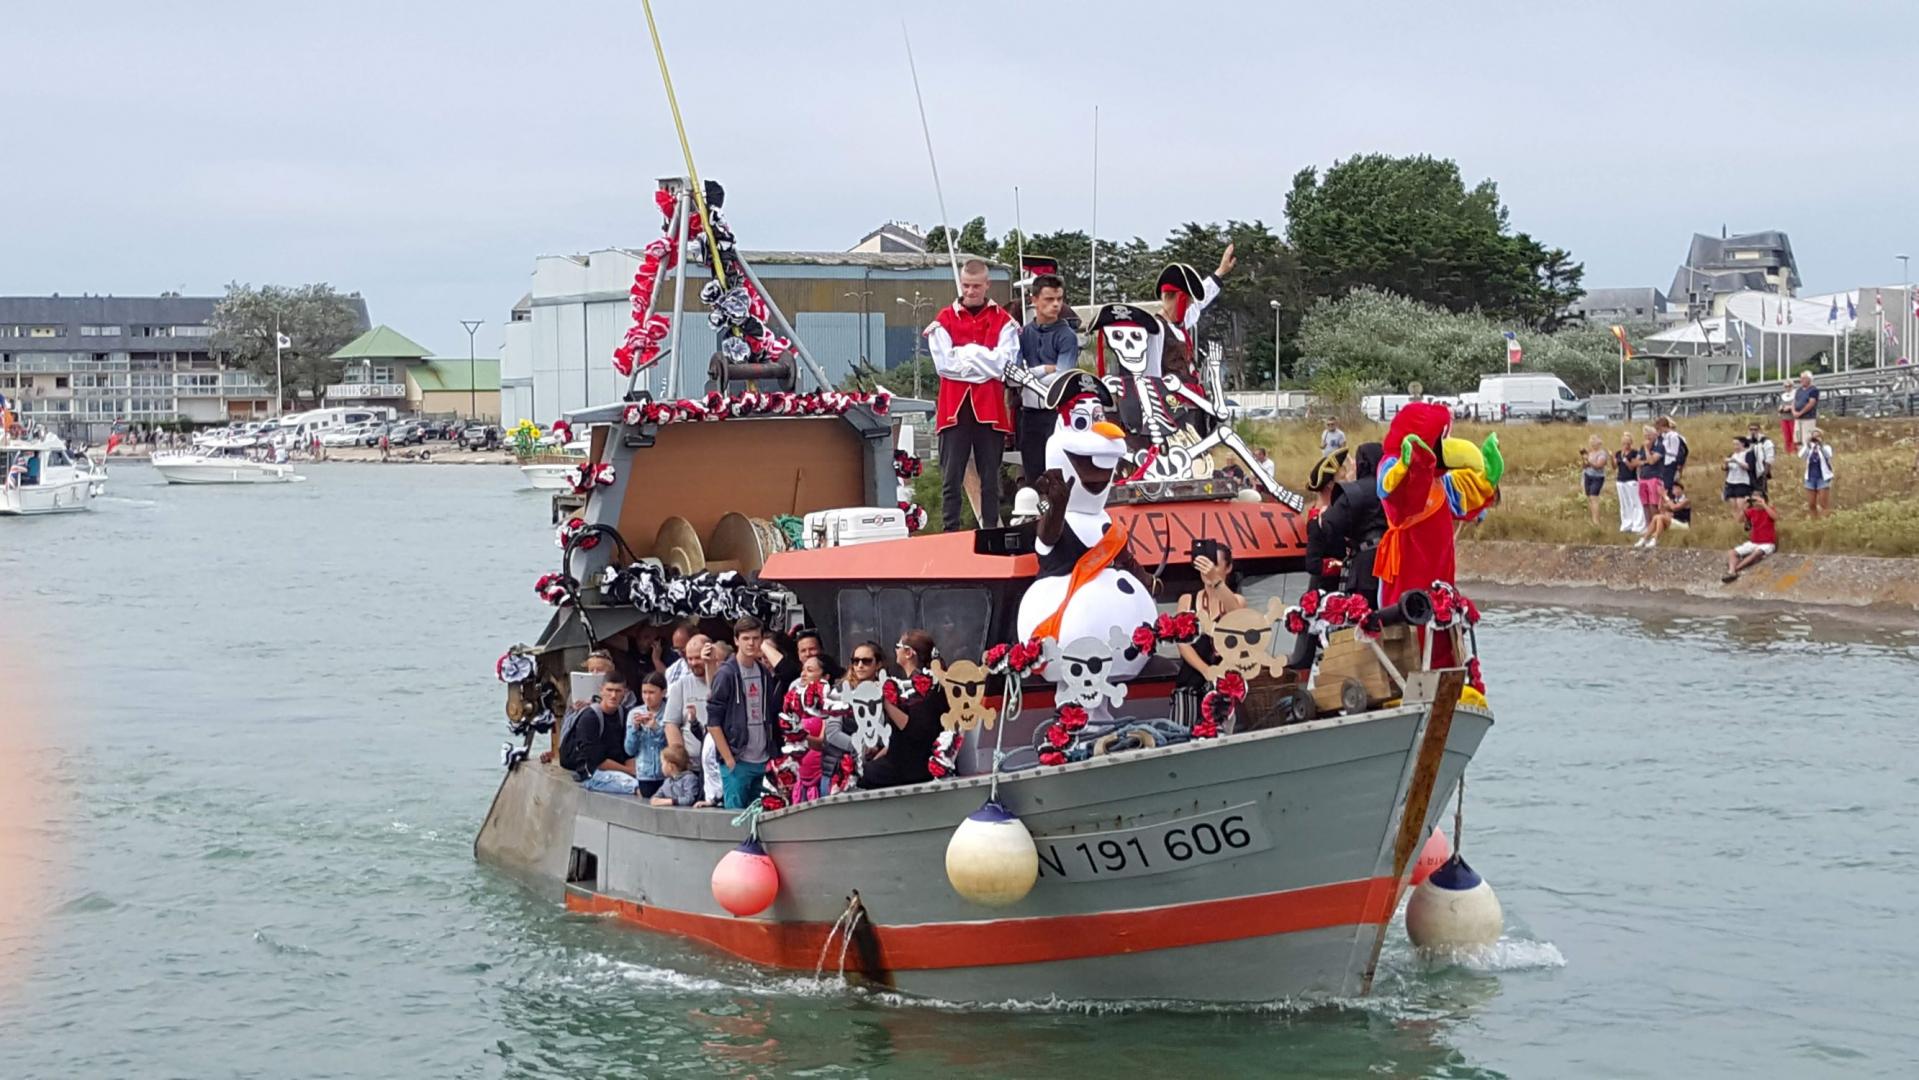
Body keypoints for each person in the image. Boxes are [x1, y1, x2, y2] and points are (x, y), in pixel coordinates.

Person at [927, 259, 1018, 530]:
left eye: (976, 286)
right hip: (954, 410)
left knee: (991, 480)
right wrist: (984, 361)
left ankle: (991, 531)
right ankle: (949, 533)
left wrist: (965, 355)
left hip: (990, 410)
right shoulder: (943, 320)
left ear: (987, 285)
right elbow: (944, 365)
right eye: (966, 285)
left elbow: (1004, 364)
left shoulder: (1004, 321)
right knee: (951, 478)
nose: (970, 291)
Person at [858, 630, 948, 789]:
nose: (895, 650)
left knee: (854, 776)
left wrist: (884, 701)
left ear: (908, 653)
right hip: (900, 758)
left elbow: (913, 729)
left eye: (898, 646)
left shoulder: (925, 686)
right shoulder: (912, 685)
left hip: (912, 766)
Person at [1014, 273, 1079, 486]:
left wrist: (1030, 374)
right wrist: (1044, 369)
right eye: (1049, 299)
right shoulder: (1022, 335)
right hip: (1029, 415)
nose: (1056, 305)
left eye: (1059, 299)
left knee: (1058, 478)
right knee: (1033, 477)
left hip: (1057, 415)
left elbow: (1062, 378)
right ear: (1034, 300)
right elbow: (1013, 377)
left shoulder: (1068, 335)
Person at [706, 617, 778, 809]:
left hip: (762, 757)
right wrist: (729, 760)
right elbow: (713, 720)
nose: (751, 643)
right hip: (739, 759)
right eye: (746, 638)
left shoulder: (763, 672)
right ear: (736, 640)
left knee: (760, 814)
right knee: (735, 816)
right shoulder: (726, 674)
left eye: (755, 638)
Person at [1176, 542, 1246, 711]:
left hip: (1225, 684)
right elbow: (1182, 643)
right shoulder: (1187, 600)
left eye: (1214, 564)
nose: (1207, 569)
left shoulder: (1237, 600)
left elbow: (1237, 618)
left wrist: (1215, 579)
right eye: (1204, 563)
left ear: (1228, 567)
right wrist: (1206, 671)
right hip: (1189, 684)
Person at [563, 673, 637, 791]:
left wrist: (633, 768)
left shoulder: (624, 713)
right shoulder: (589, 718)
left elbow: (628, 751)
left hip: (619, 768)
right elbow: (597, 761)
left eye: (618, 691)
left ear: (625, 692)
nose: (613, 695)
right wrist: (630, 771)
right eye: (609, 690)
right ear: (601, 690)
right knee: (636, 787)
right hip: (593, 773)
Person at [662, 633, 714, 799]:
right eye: (689, 659)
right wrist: (679, 760)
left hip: (716, 764)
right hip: (692, 767)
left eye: (697, 658)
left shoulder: (723, 680)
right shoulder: (681, 685)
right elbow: (671, 724)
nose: (692, 663)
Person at [624, 672, 670, 799]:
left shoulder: (670, 712)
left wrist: (656, 728)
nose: (647, 697)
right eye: (644, 692)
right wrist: (635, 729)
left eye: (652, 692)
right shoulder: (634, 713)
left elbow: (672, 745)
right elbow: (629, 750)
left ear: (663, 692)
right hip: (645, 774)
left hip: (667, 773)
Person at [1723, 494, 1778, 583]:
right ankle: (1732, 571)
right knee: (1732, 552)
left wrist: (1764, 504)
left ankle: (1735, 569)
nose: (1755, 503)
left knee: (1756, 553)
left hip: (1767, 543)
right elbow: (1739, 520)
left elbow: (1775, 517)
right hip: (1754, 542)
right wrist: (1744, 506)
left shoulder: (1769, 510)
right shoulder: (1751, 511)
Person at [1635, 481, 1690, 549]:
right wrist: (1661, 496)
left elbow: (1674, 507)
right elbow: (1661, 508)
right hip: (1675, 522)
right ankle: (1645, 538)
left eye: (1677, 488)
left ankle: (1655, 539)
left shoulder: (1686, 500)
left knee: (1660, 517)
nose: (1675, 491)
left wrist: (1665, 496)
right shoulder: (1673, 500)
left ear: (1681, 490)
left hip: (1683, 524)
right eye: (1674, 489)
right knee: (1656, 517)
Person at [1613, 431, 1645, 533]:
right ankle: (1626, 524)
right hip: (1620, 479)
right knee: (1624, 503)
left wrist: (1626, 461)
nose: (1625, 446)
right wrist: (1612, 459)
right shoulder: (1618, 453)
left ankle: (1638, 524)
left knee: (1635, 503)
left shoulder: (1634, 453)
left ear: (1631, 443)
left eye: (1627, 443)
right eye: (1624, 443)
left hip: (1631, 480)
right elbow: (1615, 467)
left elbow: (1632, 467)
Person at [1635, 426, 1665, 524]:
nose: (1647, 438)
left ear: (1655, 435)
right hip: (1643, 477)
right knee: (1645, 503)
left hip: (1654, 476)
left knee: (1653, 503)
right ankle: (1648, 525)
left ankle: (1656, 525)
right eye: (1645, 435)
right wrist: (1645, 462)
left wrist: (1647, 450)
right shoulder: (1642, 447)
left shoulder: (1659, 446)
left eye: (1649, 435)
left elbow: (1652, 461)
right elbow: (1636, 462)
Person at [1800, 431, 1834, 517]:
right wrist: (1808, 444)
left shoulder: (1826, 447)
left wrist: (1821, 445)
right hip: (1810, 478)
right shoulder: (1809, 448)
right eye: (1814, 436)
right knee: (1811, 504)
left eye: (1818, 436)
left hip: (1822, 478)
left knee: (1823, 504)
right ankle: (1814, 521)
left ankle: (1825, 522)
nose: (1816, 438)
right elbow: (1801, 455)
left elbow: (1828, 455)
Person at [1580, 434, 1609, 527]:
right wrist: (1584, 460)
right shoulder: (1590, 453)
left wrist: (1589, 461)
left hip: (1597, 477)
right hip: (1588, 475)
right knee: (1589, 497)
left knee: (1594, 497)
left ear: (1598, 443)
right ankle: (1593, 519)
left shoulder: (1602, 453)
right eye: (1591, 442)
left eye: (1594, 441)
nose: (1592, 443)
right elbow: (1585, 465)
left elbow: (1599, 466)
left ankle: (1596, 521)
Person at [1722, 437, 1756, 516]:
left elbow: (1748, 467)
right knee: (1733, 505)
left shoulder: (1748, 454)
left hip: (1742, 482)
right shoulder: (1732, 455)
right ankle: (1736, 522)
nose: (1735, 446)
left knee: (1741, 505)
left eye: (1737, 444)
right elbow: (1724, 468)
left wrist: (1736, 461)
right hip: (1731, 482)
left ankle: (1744, 521)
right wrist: (1726, 463)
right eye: (1734, 444)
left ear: (1743, 444)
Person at [1746, 421, 1776, 499]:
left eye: (1755, 429)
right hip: (1748, 471)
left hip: (1760, 471)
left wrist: (1765, 473)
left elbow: (1769, 458)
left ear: (1759, 430)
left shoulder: (1765, 441)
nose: (1753, 431)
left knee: (1760, 493)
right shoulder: (1745, 441)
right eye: (1751, 429)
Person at [1656, 416, 1687, 488]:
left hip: (1671, 463)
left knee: (1669, 484)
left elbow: (1675, 452)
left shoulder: (1673, 436)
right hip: (1665, 463)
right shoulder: (1664, 436)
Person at [1790, 372, 1820, 447]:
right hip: (1798, 419)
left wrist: (1800, 413)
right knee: (1797, 438)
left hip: (1808, 418)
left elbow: (1811, 403)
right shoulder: (1799, 390)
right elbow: (1794, 401)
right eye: (1801, 378)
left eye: (1804, 378)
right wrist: (1793, 411)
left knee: (1807, 438)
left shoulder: (1813, 390)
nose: (1801, 380)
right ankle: (1800, 454)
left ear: (1809, 379)